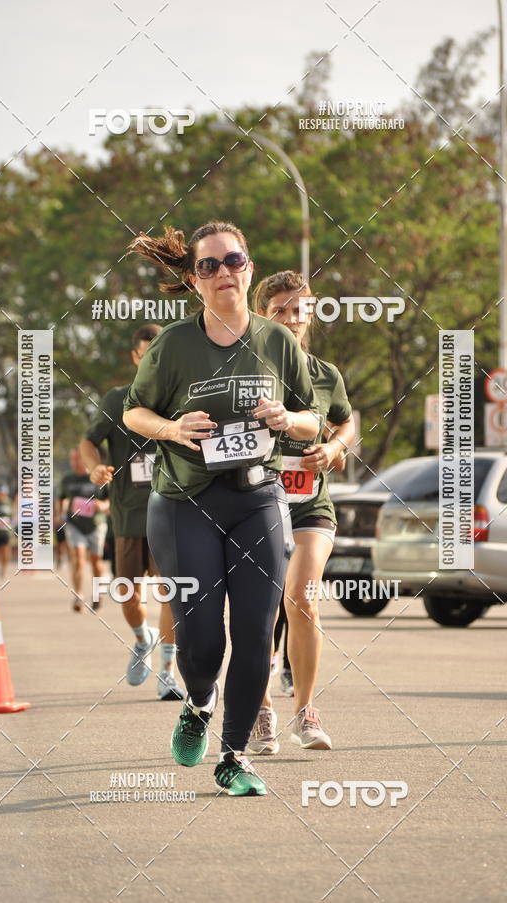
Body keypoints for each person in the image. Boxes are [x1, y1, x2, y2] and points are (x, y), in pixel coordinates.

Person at [123, 222, 319, 796]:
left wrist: (288, 420)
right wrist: (172, 427)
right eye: (208, 265)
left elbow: (314, 419)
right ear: (194, 279)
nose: (223, 272)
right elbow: (135, 413)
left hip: (258, 497)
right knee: (203, 640)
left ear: (248, 268)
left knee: (257, 633)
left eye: (233, 260)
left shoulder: (277, 342)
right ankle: (199, 702)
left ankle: (234, 756)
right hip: (185, 502)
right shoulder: (174, 346)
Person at [248, 270, 355, 755]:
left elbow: (346, 422)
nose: (292, 319)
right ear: (261, 315)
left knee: (303, 598)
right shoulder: (245, 369)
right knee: (259, 613)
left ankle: (306, 712)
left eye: (299, 310)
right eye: (280, 311)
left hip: (311, 505)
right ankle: (261, 710)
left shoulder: (324, 374)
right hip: (253, 506)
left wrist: (334, 449)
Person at [80, 324, 184, 701]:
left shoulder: (180, 396)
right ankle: (143, 639)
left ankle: (168, 671)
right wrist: (95, 467)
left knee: (172, 593)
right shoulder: (117, 399)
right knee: (126, 593)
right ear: (135, 358)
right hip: (127, 515)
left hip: (171, 513)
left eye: (157, 352)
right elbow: (89, 442)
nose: (150, 359)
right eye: (145, 353)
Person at [58, 448, 108, 612]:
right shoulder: (68, 479)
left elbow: (110, 500)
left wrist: (103, 505)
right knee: (78, 558)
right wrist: (59, 515)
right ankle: (79, 595)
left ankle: (97, 594)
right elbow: (60, 498)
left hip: (96, 524)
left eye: (78, 458)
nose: (75, 462)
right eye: (72, 459)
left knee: (95, 561)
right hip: (74, 524)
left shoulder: (97, 477)